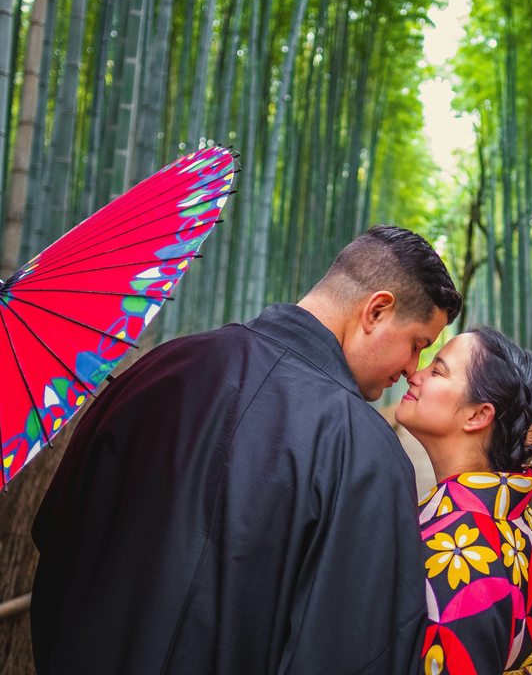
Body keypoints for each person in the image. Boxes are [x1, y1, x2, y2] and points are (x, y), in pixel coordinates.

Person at [30, 226, 462, 674]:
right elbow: (357, 651)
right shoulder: (367, 453)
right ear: (376, 310)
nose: (413, 368)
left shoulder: (157, 372)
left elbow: (57, 541)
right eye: (417, 345)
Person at [396, 327, 532, 674]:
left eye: (438, 371)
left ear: (478, 415)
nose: (414, 376)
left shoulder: (458, 555)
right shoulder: (529, 529)